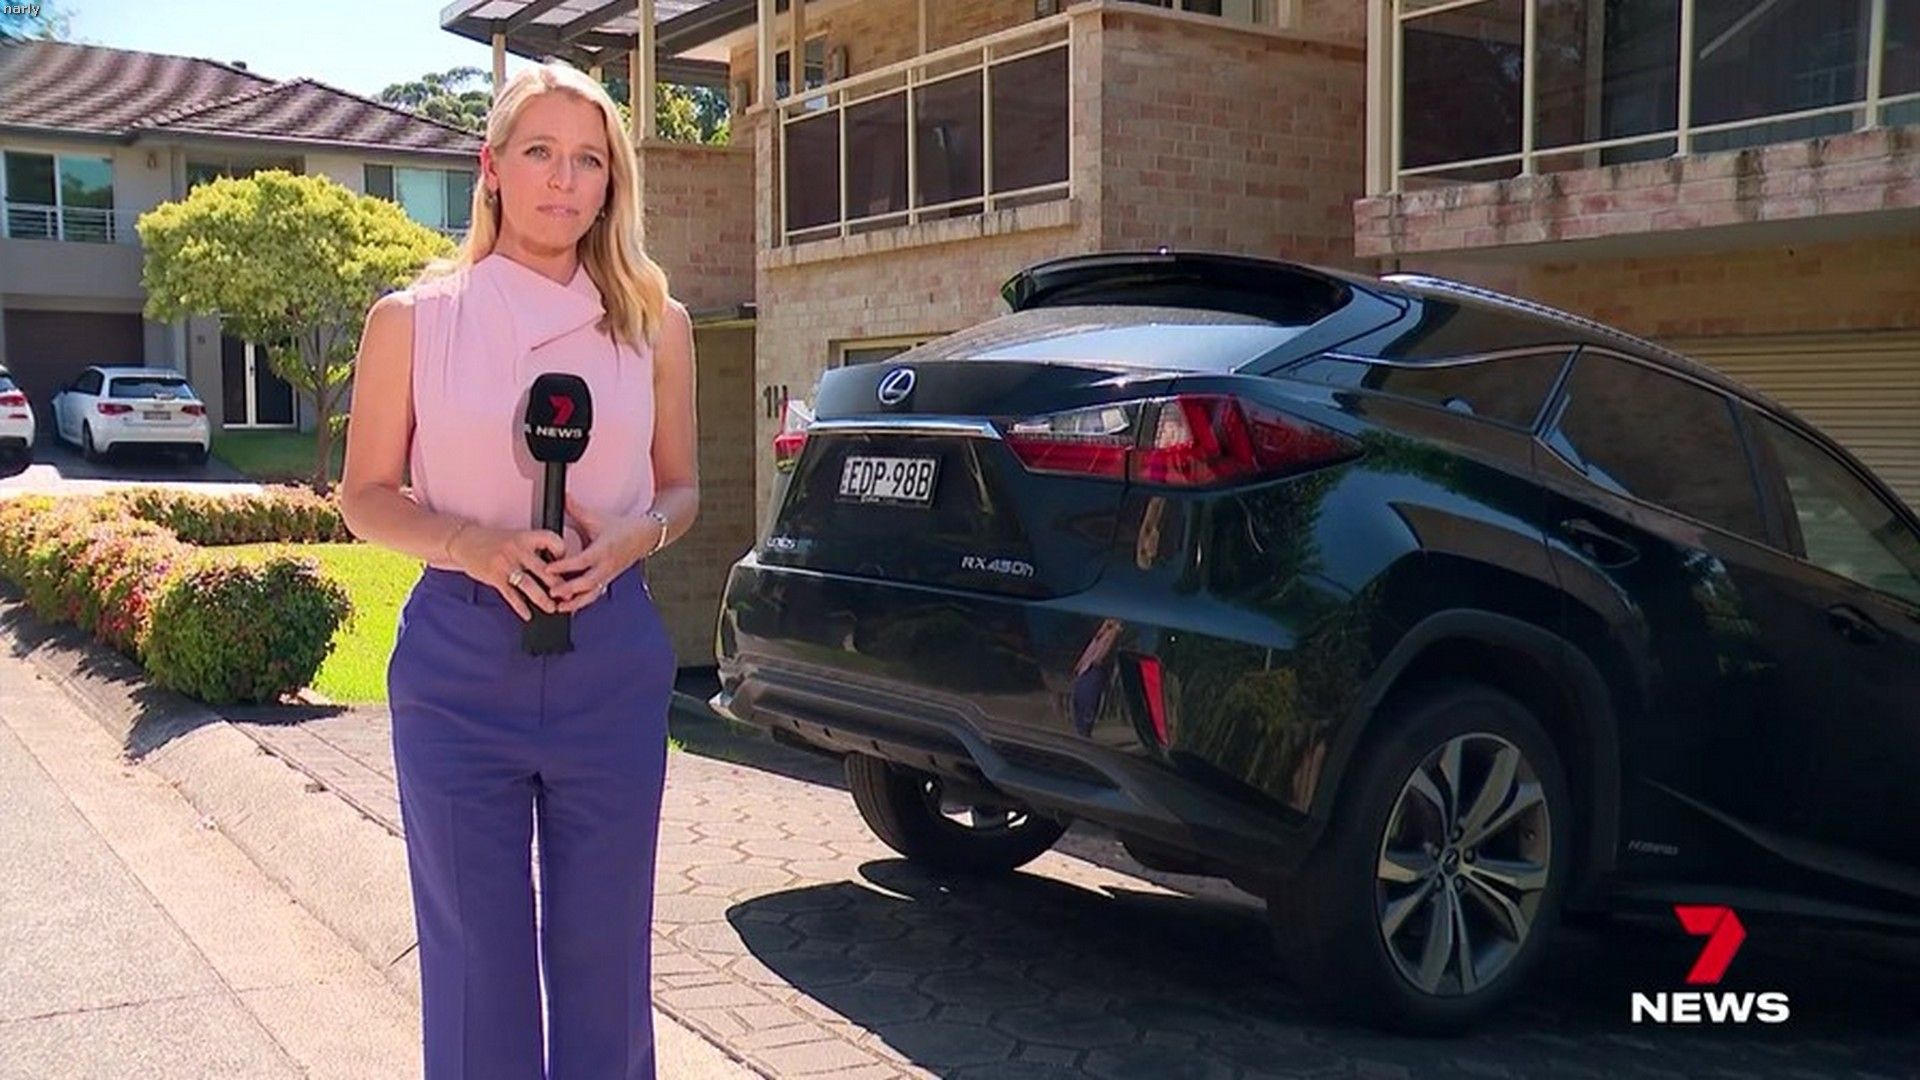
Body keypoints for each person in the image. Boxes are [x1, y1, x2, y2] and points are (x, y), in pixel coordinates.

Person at [338, 60, 697, 1080]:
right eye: (540, 152)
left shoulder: (656, 324)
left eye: (590, 159)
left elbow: (681, 489)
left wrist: (633, 539)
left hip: (609, 656)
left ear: (612, 182)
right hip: (460, 663)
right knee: (474, 971)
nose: (564, 180)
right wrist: (472, 546)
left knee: (605, 964)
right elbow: (365, 496)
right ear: (491, 167)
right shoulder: (414, 320)